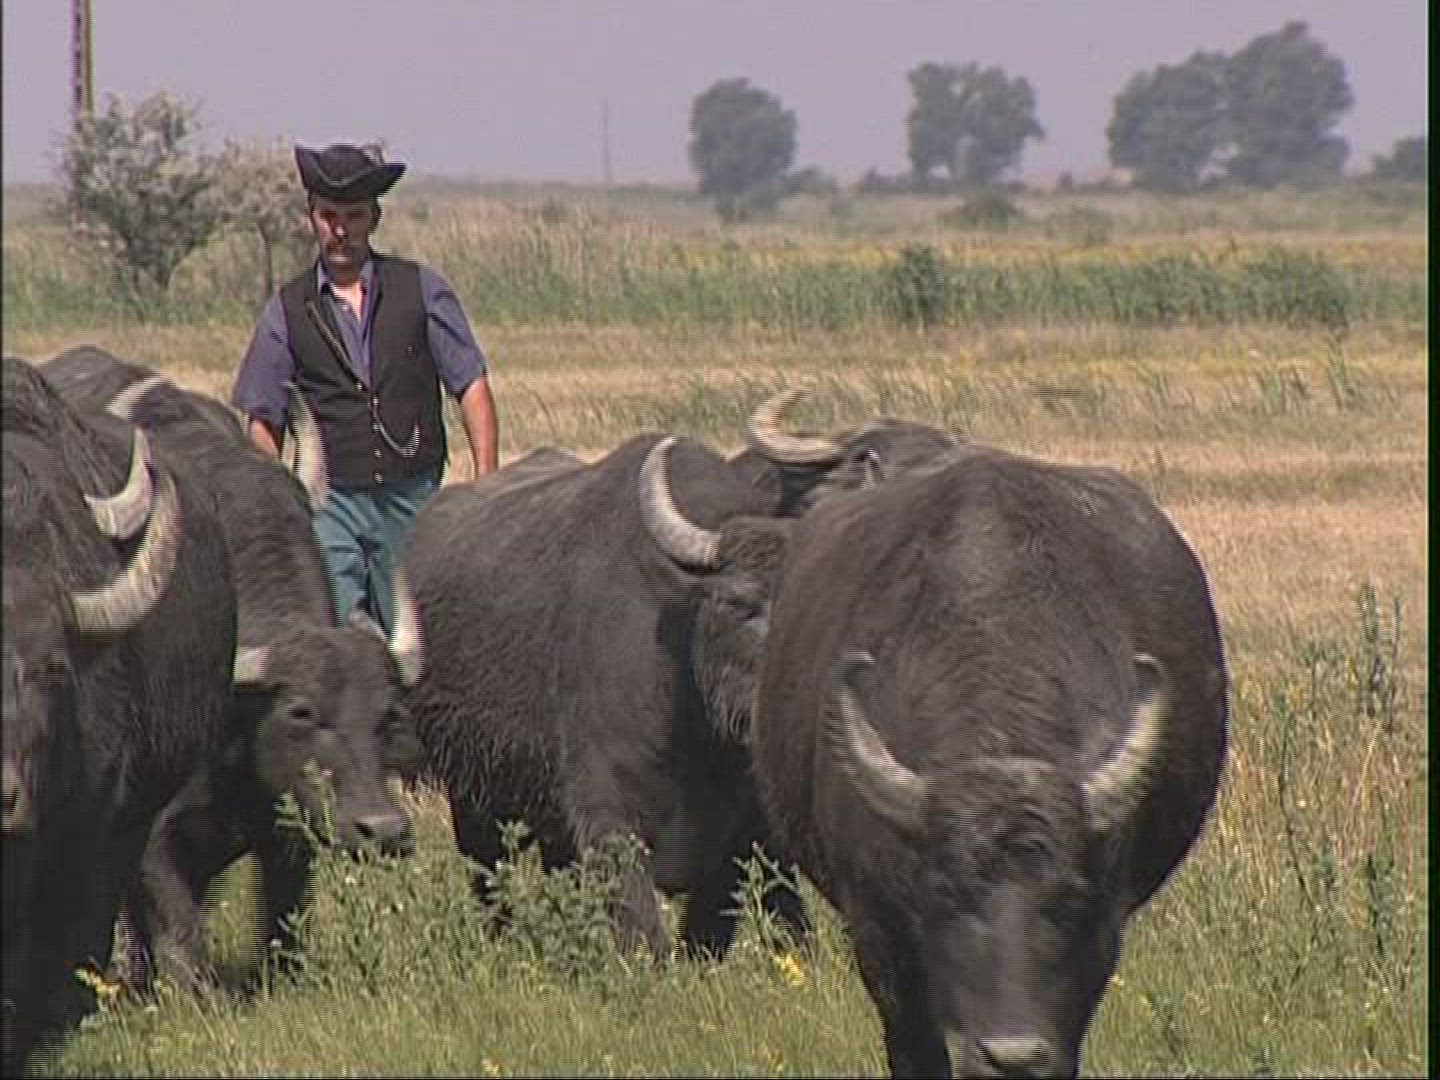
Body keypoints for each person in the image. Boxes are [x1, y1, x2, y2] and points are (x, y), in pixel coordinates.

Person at [233, 142, 498, 634]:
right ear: (311, 218)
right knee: (339, 634)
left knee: (420, 633)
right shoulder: (286, 309)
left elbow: (472, 386)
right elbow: (262, 419)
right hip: (330, 503)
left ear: (374, 218)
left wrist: (487, 489)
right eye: (328, 216)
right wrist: (283, 509)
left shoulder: (422, 288)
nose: (340, 230)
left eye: (353, 216)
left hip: (413, 496)